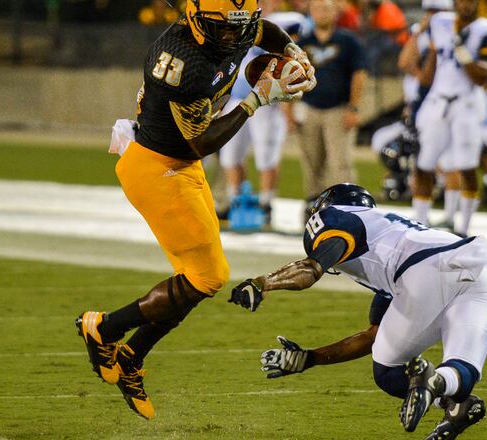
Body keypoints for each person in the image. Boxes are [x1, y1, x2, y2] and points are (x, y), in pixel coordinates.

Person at [76, 0, 317, 420]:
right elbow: (202, 143)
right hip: (157, 168)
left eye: (237, 28)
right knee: (209, 277)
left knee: (195, 278)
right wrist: (256, 100)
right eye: (223, 30)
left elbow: (262, 32)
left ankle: (131, 356)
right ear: (197, 21)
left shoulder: (231, 26)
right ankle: (103, 328)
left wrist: (293, 52)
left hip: (179, 166)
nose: (233, 37)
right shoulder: (184, 64)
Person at [228, 183, 487, 440]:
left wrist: (263, 283)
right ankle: (450, 397)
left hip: (423, 269)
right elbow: (373, 337)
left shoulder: (336, 217)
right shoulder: (391, 240)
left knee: (387, 369)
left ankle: (436, 386)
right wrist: (310, 359)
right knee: (463, 371)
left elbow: (311, 270)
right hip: (481, 269)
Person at [411, 0, 487, 237]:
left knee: (466, 166)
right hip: (439, 99)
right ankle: (420, 223)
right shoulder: (439, 22)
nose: (466, 4)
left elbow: (481, 78)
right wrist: (419, 95)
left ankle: (463, 227)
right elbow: (432, 61)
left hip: (467, 102)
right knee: (424, 163)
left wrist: (462, 51)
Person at [218, 0, 308, 221]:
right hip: (235, 99)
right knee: (230, 155)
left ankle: (266, 204)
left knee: (266, 156)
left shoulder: (282, 22)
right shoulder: (234, 24)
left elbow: (297, 34)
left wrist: (288, 111)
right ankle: (236, 200)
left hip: (266, 101)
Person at [291, 0, 368, 202]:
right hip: (308, 108)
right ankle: (313, 207)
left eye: (326, 9)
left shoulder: (348, 41)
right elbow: (289, 78)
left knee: (339, 163)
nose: (322, 13)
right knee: (311, 163)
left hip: (338, 109)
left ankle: (347, 206)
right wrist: (288, 112)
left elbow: (359, 75)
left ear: (336, 13)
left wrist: (354, 108)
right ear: (311, 13)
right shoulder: (302, 43)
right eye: (317, 9)